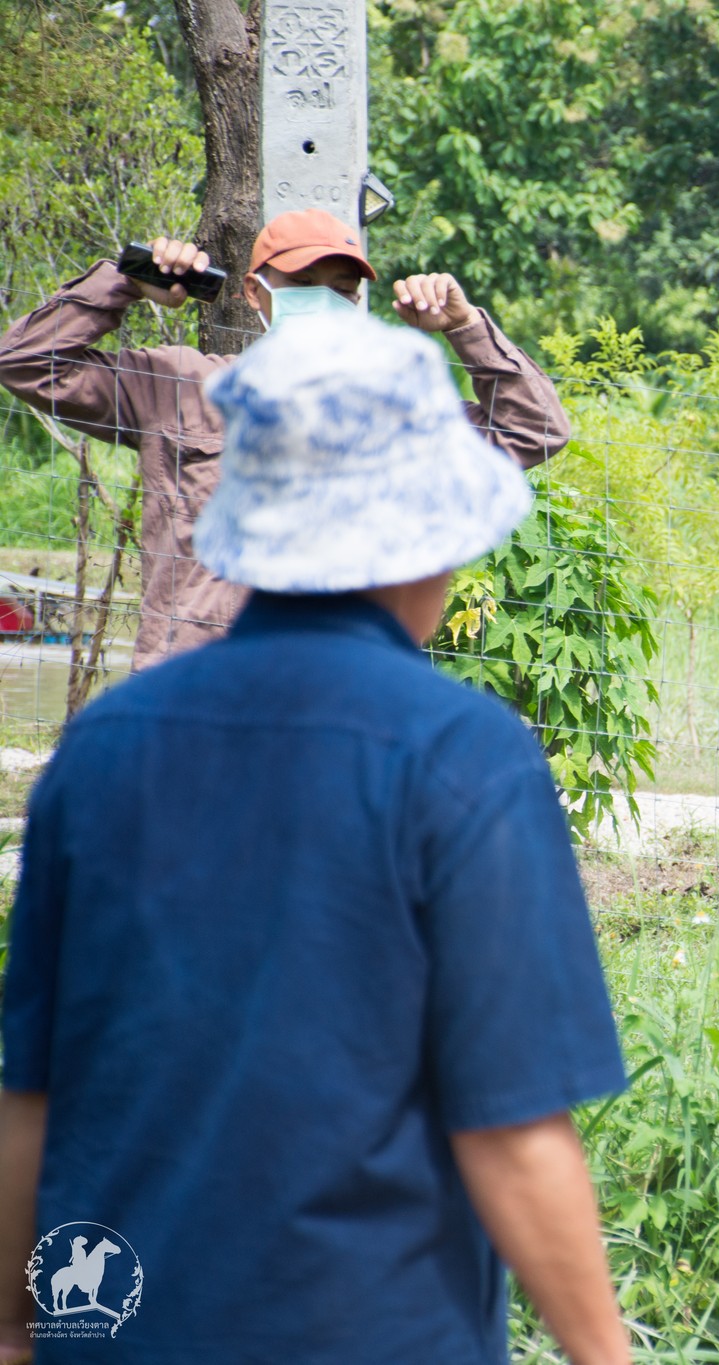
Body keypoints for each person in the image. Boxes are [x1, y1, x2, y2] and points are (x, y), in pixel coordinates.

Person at [0, 312, 629, 1365]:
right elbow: (512, 1129)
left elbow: (31, 1085)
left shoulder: (103, 745)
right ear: (435, 532)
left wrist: (14, 1329)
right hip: (367, 1328)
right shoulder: (462, 754)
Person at [0, 210, 571, 667]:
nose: (323, 299)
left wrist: (466, 328)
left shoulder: (388, 411)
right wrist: (125, 280)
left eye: (342, 290)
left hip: (335, 679)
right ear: (255, 290)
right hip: (195, 675)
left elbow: (534, 430)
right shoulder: (179, 384)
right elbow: (26, 363)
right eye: (301, 283)